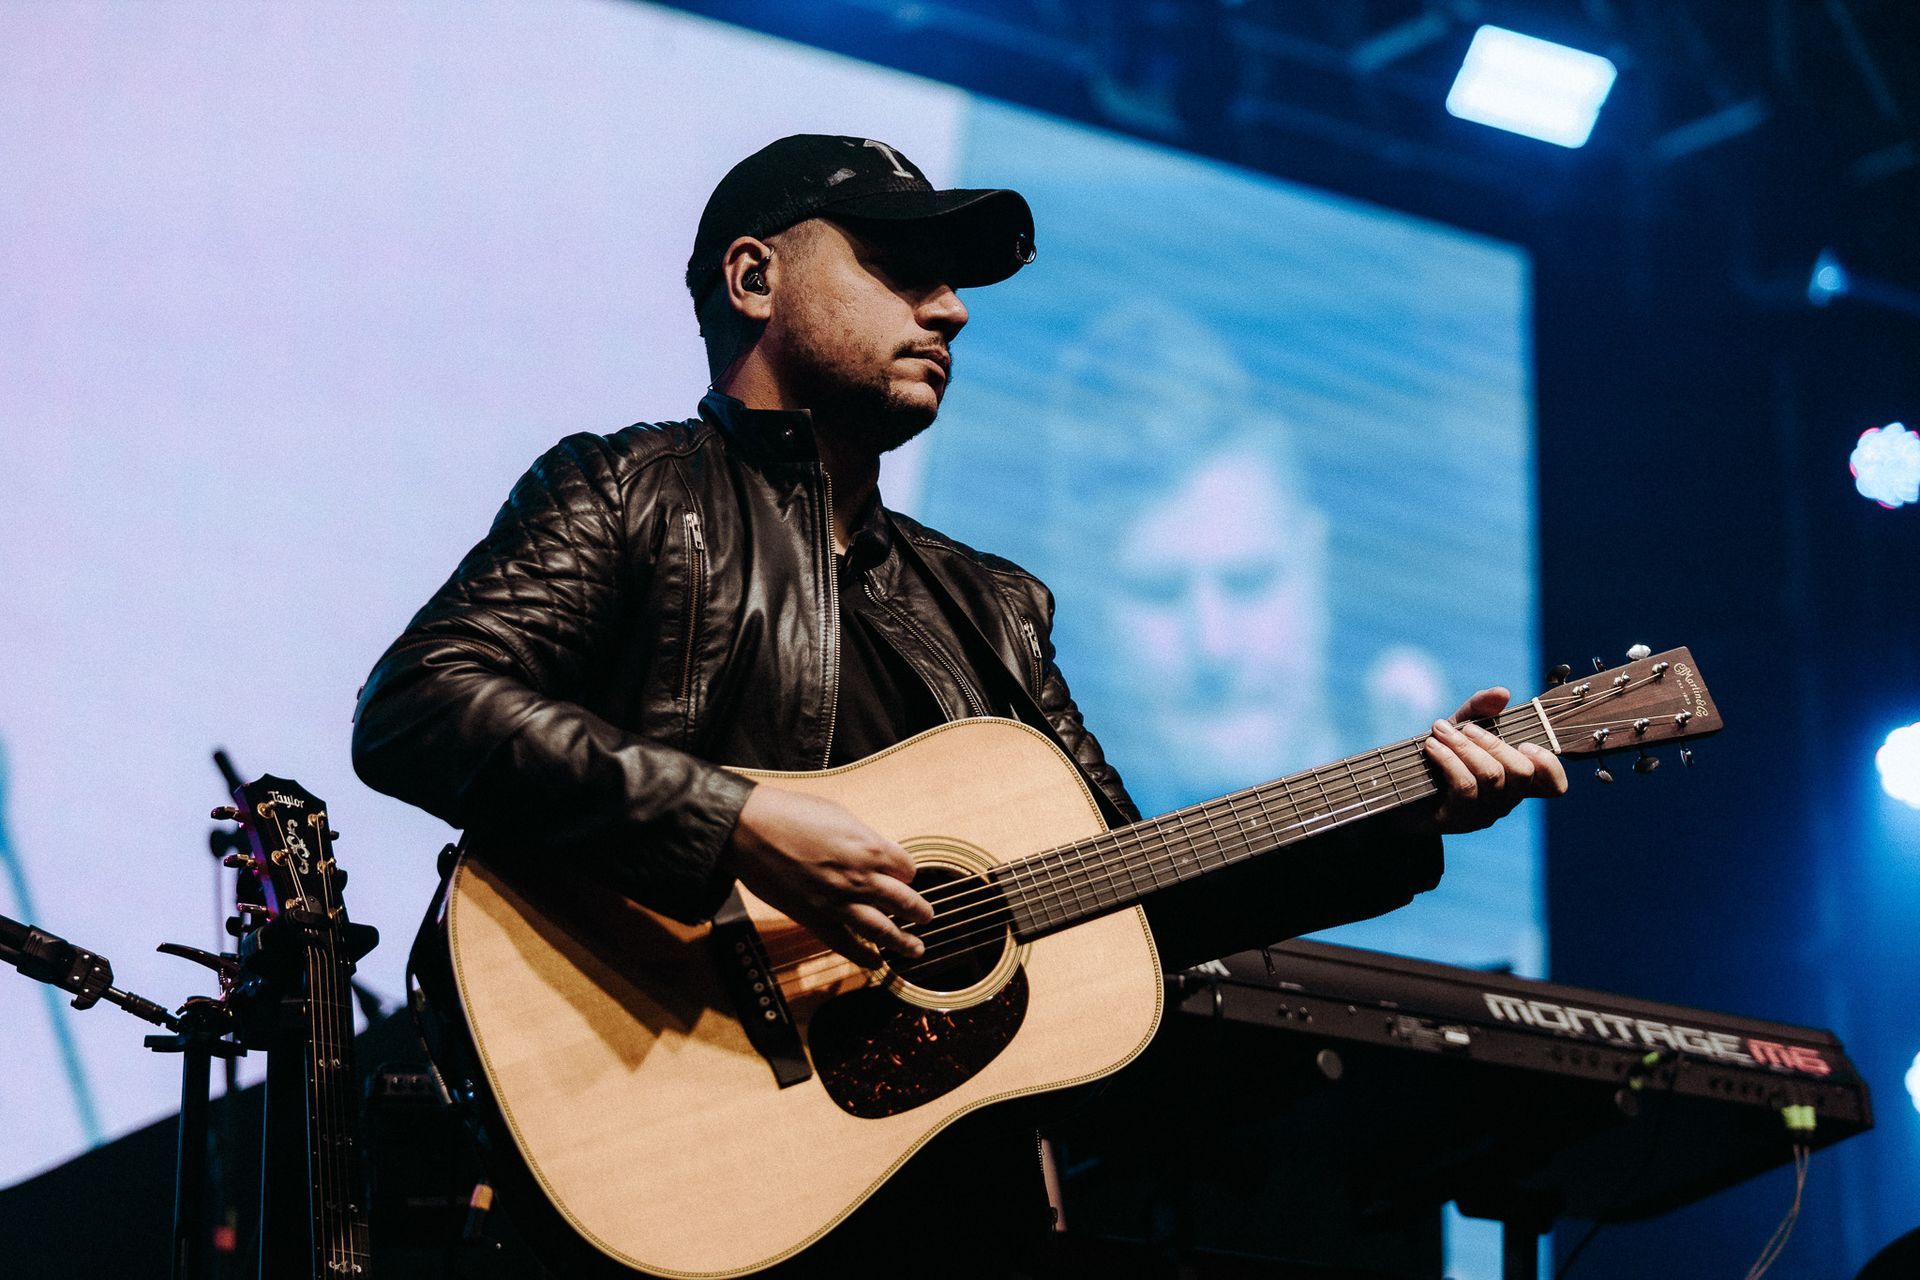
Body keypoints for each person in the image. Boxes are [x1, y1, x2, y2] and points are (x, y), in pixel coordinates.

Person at [350, 134, 1568, 1276]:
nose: (952, 309)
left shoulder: (992, 603)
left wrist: (1401, 822)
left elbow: (1136, 897)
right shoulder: (629, 491)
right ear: (754, 275)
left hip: (947, 1205)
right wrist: (737, 825)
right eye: (899, 269)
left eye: (952, 284)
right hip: (664, 1157)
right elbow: (418, 701)